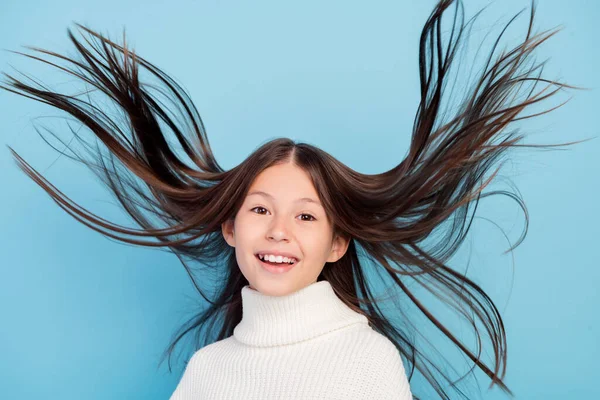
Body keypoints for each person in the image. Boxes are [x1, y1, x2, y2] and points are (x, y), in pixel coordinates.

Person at [1, 0, 591, 398]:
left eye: (306, 216)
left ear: (337, 242)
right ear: (230, 228)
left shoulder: (366, 362)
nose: (279, 230)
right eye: (260, 209)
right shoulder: (208, 372)